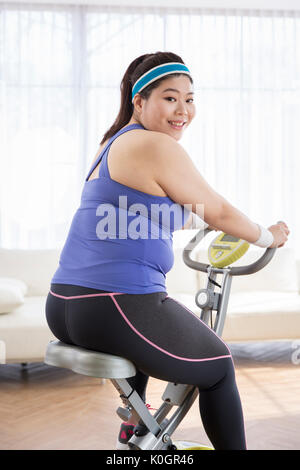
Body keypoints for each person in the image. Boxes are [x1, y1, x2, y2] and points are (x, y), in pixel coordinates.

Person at [45, 51, 289, 450]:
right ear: (139, 101)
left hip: (65, 306)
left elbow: (162, 210)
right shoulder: (156, 145)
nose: (183, 110)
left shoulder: (111, 144)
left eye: (190, 99)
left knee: (144, 344)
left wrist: (208, 222)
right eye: (170, 97)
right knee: (218, 367)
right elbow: (220, 209)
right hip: (113, 306)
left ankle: (138, 432)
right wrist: (266, 236)